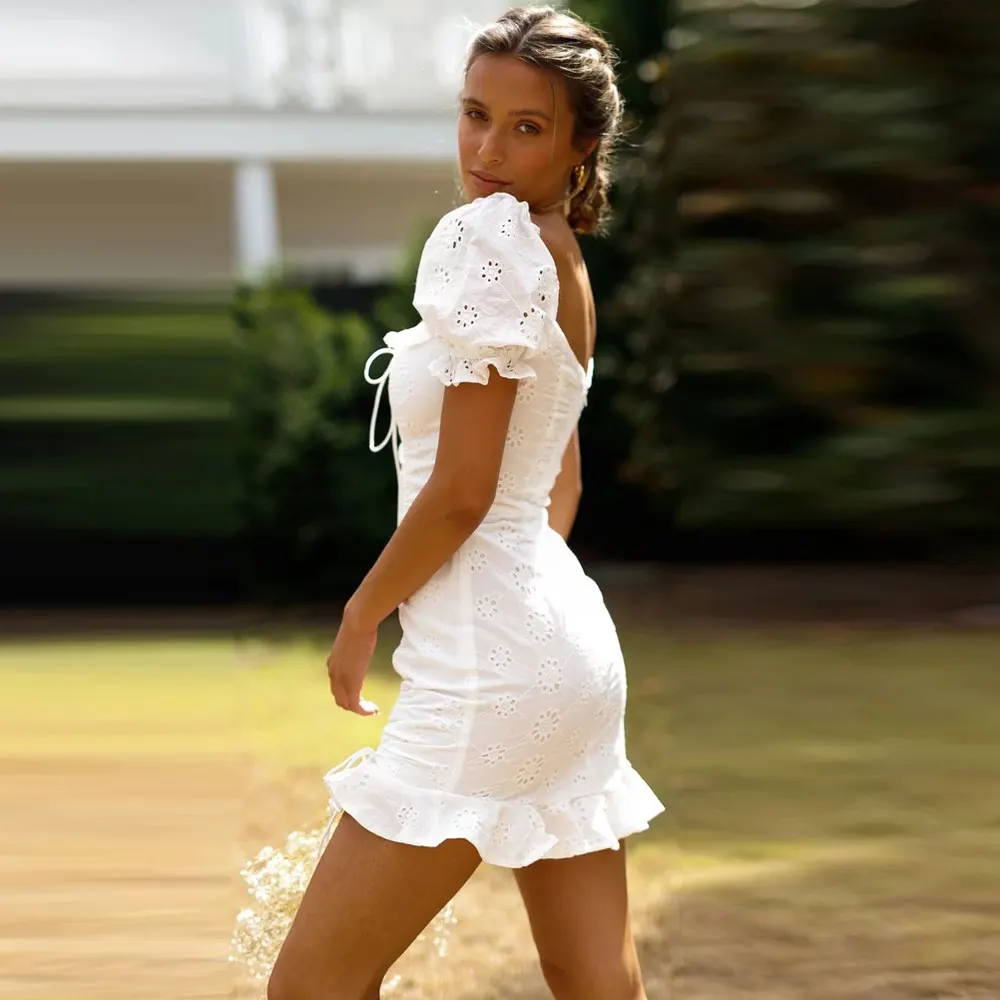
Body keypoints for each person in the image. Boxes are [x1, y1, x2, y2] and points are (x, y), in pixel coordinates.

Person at [267, 7, 664, 1000]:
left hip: (491, 670)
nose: (487, 150)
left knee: (310, 987)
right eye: (475, 114)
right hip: (573, 651)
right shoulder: (561, 257)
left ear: (580, 144)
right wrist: (519, 603)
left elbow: (462, 493)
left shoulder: (485, 240)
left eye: (526, 127)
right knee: (594, 981)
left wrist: (363, 614)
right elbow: (559, 481)